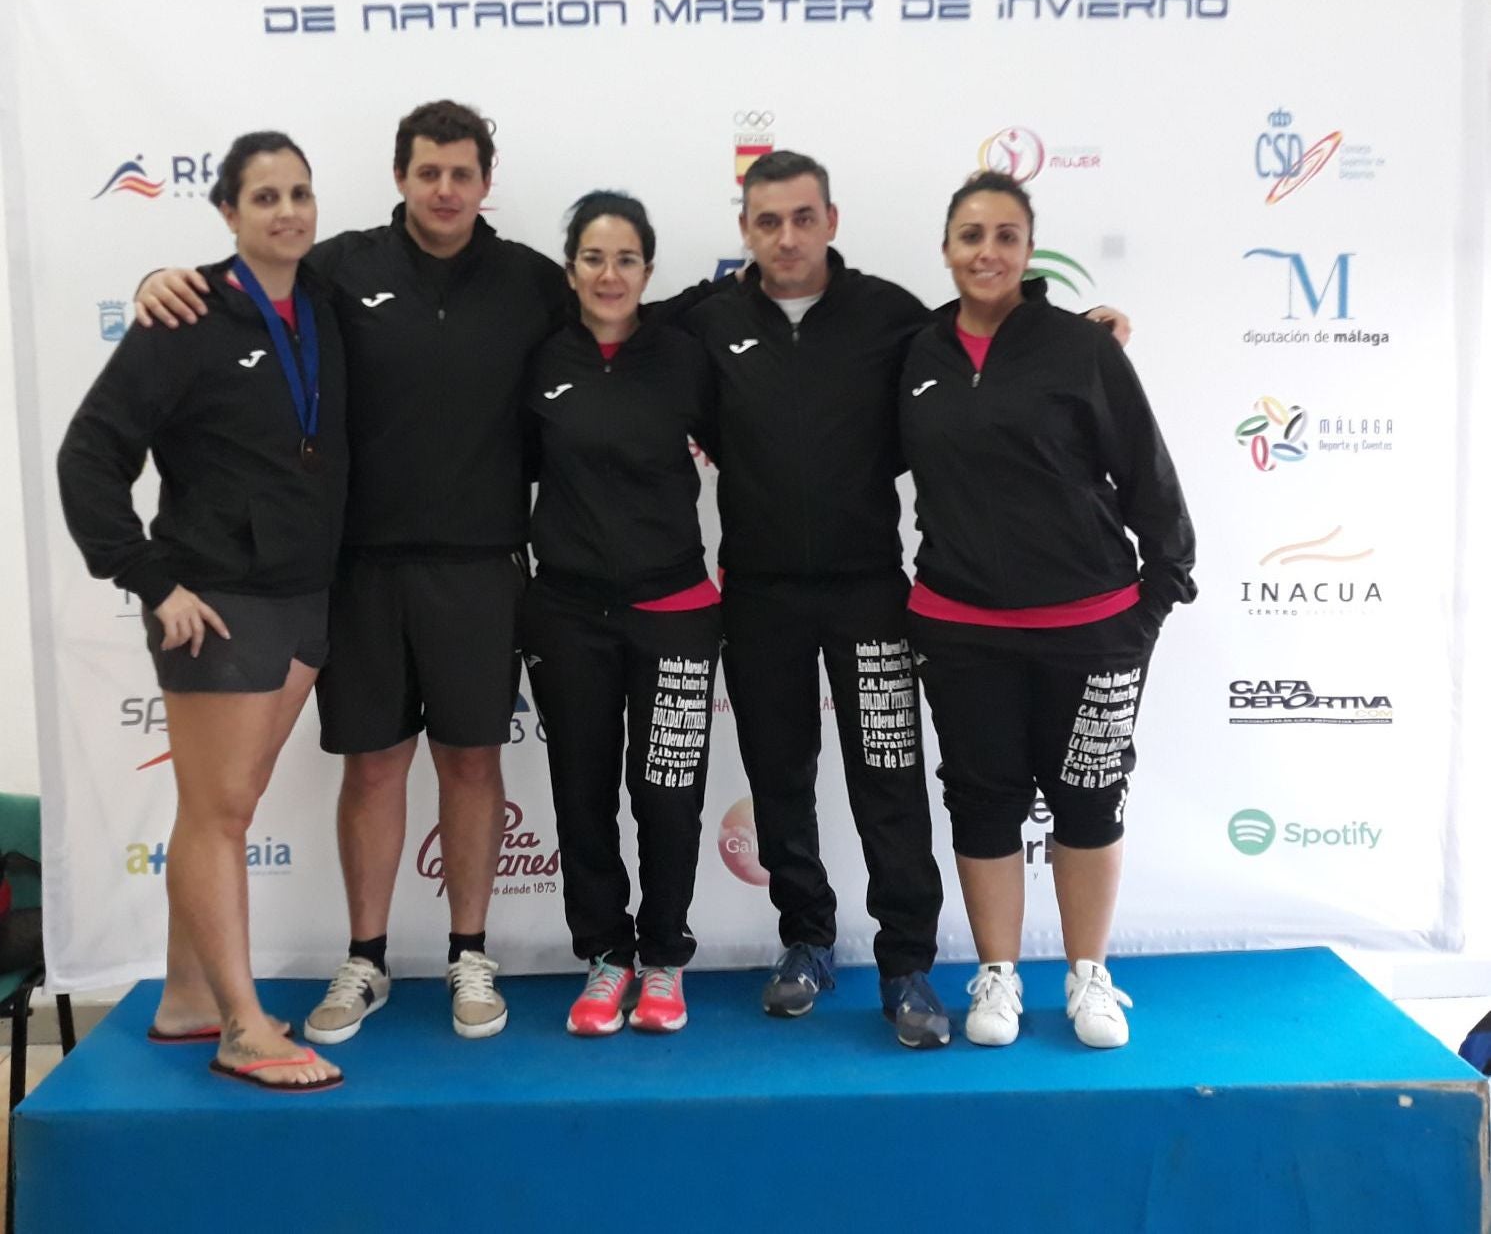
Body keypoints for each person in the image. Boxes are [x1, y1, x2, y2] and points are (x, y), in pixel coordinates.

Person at [133, 101, 570, 1042]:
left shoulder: (534, 282)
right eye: (428, 172)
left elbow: (621, 335)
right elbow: (242, 295)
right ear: (400, 176)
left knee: (472, 761)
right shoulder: (339, 269)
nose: (444, 189)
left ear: (485, 182)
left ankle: (469, 954)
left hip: (482, 566)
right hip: (359, 568)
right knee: (373, 765)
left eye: (461, 173)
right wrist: (159, 280)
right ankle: (366, 958)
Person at [684, 151, 1133, 1048]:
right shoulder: (706, 323)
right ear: (744, 230)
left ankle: (906, 965)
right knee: (779, 776)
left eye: (802, 217)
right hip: (760, 594)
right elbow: (621, 330)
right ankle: (806, 939)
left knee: (888, 778)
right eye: (767, 221)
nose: (786, 237)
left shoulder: (889, 315)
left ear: (831, 220)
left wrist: (1076, 327)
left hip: (870, 592)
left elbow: (982, 335)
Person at [59, 132, 347, 1089]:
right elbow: (89, 454)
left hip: (304, 594)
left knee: (221, 808)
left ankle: (188, 996)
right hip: (217, 602)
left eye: (300, 193)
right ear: (227, 212)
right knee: (220, 816)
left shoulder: (325, 301)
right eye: (265, 196)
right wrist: (149, 579)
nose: (288, 211)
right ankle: (243, 1028)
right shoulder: (183, 314)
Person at [900, 171, 1195, 1049]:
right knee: (982, 802)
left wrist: (1152, 602)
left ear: (1028, 251)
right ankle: (997, 975)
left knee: (1089, 798)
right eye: (969, 235)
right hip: (961, 630)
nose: (986, 251)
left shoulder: (1081, 348)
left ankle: (1086, 974)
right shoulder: (914, 354)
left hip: (1093, 628)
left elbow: (1147, 476)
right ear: (945, 248)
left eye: (1004, 235)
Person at [522, 192, 720, 1035]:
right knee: (582, 792)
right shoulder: (539, 358)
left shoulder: (684, 358)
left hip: (675, 609)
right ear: (570, 268)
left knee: (668, 793)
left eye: (626, 259)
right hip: (567, 613)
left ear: (647, 270)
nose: (609, 274)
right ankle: (606, 956)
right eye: (594, 258)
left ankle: (664, 957)